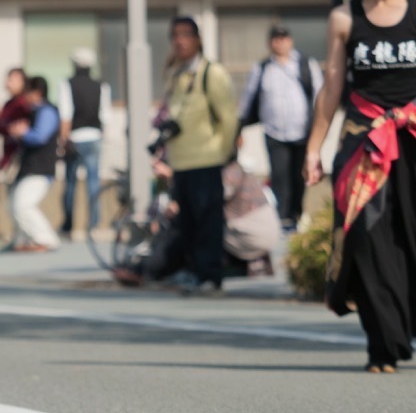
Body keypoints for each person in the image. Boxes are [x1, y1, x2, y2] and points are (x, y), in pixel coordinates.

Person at [305, 0, 416, 374]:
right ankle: (382, 346)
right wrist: (314, 147)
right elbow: (332, 86)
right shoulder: (343, 18)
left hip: (412, 134)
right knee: (368, 242)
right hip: (364, 142)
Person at [155, 16, 238, 296]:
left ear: (198, 39)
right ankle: (193, 272)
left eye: (186, 35)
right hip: (181, 161)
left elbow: (228, 118)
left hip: (206, 159)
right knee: (187, 222)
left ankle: (210, 276)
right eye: (175, 35)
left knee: (208, 222)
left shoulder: (210, 72)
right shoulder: (176, 73)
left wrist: (221, 152)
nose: (180, 41)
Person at [114, 155, 281, 287]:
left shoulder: (229, 173)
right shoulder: (236, 169)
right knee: (187, 221)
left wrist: (173, 179)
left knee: (183, 226)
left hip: (248, 233)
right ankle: (149, 268)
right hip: (255, 232)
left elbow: (205, 201)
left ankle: (146, 270)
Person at [236, 24, 322, 231]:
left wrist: (319, 130)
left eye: (284, 38)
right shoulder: (263, 67)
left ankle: (297, 215)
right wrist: (239, 128)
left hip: (302, 132)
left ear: (290, 40)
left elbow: (320, 95)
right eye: (276, 38)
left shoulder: (305, 64)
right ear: (270, 42)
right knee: (279, 176)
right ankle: (281, 219)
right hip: (274, 132)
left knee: (299, 176)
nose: (280, 42)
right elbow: (248, 99)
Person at [2, 76, 61, 253]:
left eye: (27, 93)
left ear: (37, 93)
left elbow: (40, 136)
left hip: (41, 168)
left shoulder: (47, 112)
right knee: (13, 204)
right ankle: (22, 240)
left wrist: (23, 132)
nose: (25, 97)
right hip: (29, 167)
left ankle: (46, 239)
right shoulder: (32, 112)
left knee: (23, 204)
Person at [58, 47, 110, 239]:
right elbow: (105, 115)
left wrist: (63, 139)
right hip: (95, 136)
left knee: (70, 183)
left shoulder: (67, 84)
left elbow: (65, 113)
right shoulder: (101, 85)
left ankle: (68, 226)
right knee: (93, 182)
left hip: (74, 138)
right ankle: (94, 225)